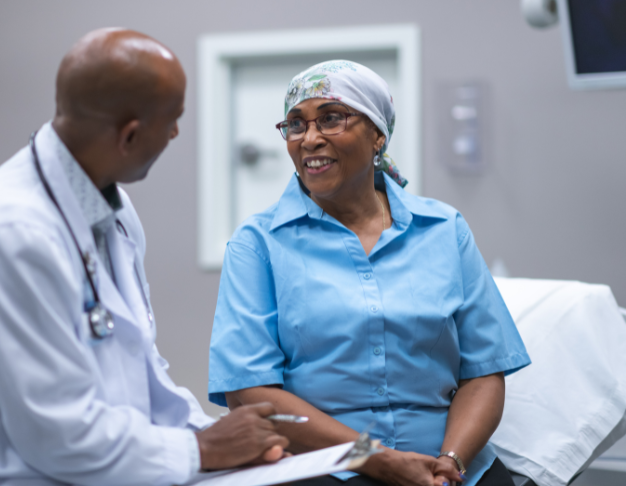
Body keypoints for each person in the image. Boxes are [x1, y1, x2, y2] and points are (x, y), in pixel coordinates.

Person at [0, 28, 289, 486]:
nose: (176, 132)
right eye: (173, 120)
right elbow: (58, 436)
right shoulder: (7, 233)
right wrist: (202, 450)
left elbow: (143, 370)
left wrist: (215, 433)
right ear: (129, 136)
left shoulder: (113, 212)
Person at [207, 60, 531, 486]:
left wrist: (451, 462)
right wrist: (376, 459)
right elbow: (250, 392)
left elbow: (484, 370)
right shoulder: (258, 243)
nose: (310, 138)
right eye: (295, 125)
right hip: (322, 466)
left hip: (451, 466)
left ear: (377, 134)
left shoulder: (443, 228)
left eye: (331, 119)